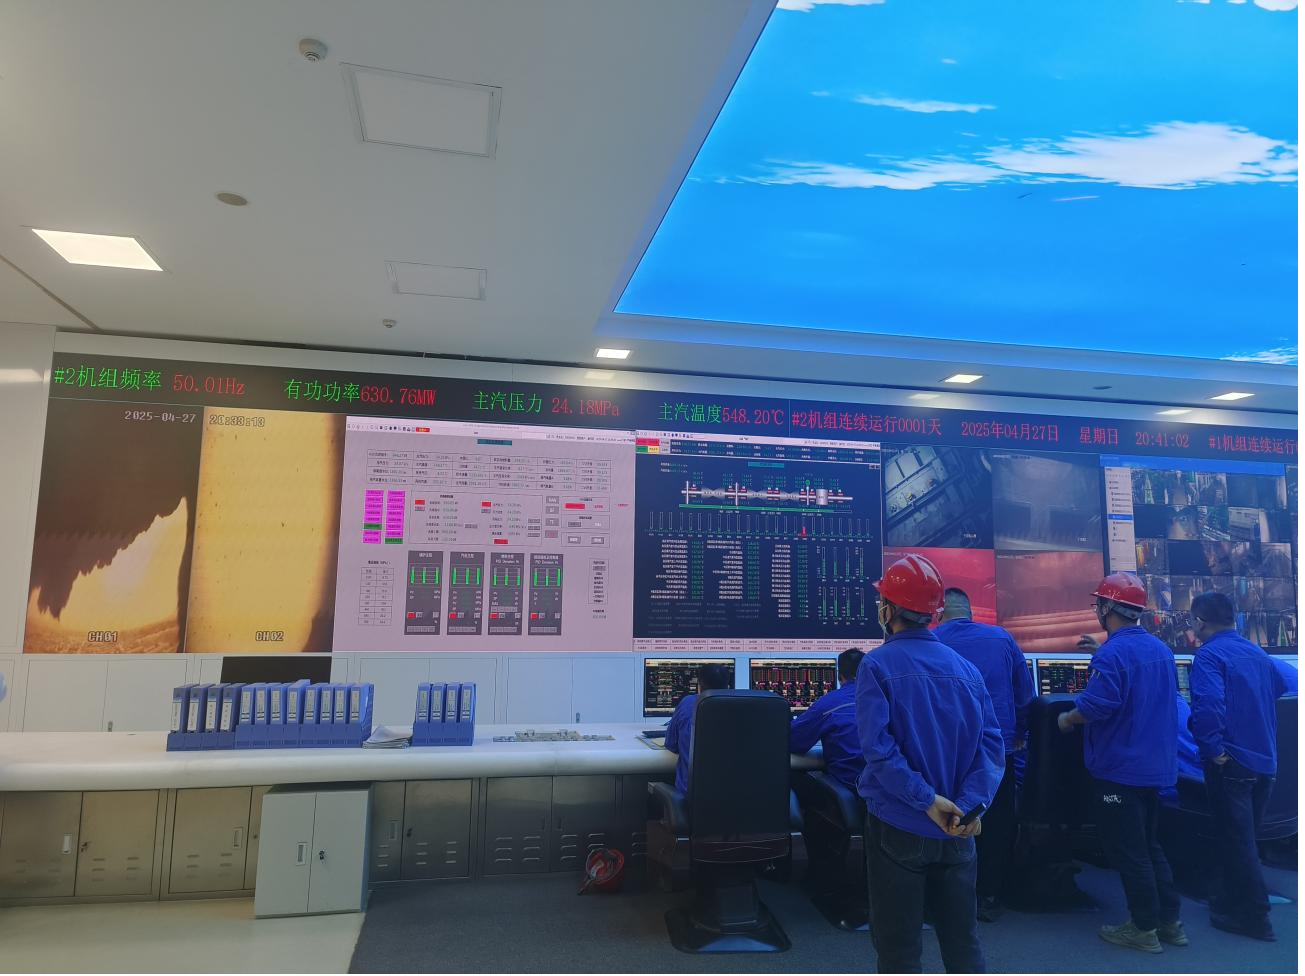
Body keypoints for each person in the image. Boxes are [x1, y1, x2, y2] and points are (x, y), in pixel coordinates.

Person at [856, 553, 1005, 974]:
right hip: (959, 828)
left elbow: (878, 750)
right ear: (932, 613)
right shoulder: (967, 670)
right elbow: (991, 747)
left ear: (888, 611)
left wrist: (925, 800)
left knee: (899, 949)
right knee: (963, 944)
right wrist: (970, 807)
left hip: (899, 825)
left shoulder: (876, 665)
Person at [1058, 573, 1184, 954]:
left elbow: (1097, 706)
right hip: (1154, 769)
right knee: (1150, 846)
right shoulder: (1160, 649)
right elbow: (1134, 686)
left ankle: (1143, 929)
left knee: (1130, 852)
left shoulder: (1113, 655)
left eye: (1099, 603)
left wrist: (1067, 719)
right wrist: (1100, 654)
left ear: (1108, 608)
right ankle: (1170, 923)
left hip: (1119, 772)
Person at [1189, 591, 1289, 942]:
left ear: (1199, 622)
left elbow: (1207, 707)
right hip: (1266, 761)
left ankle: (1254, 916)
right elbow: (1280, 688)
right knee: (1245, 839)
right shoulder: (1258, 653)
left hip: (1232, 762)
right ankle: (1229, 902)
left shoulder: (1209, 655)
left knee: (1237, 841)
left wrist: (1213, 749)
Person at [935, 587, 1036, 922]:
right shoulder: (1001, 638)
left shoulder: (932, 641)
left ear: (939, 614)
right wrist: (1020, 734)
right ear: (971, 613)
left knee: (948, 820)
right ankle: (988, 896)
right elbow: (1025, 696)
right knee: (996, 824)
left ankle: (947, 898)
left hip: (948, 754)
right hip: (997, 751)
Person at [789, 647, 865, 791]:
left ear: (839, 675)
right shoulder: (886, 699)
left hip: (852, 787)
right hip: (886, 787)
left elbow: (792, 741)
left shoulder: (829, 703)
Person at [664, 663, 733, 796]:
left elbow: (671, 744)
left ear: (699, 687)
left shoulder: (688, 704)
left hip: (692, 798)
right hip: (735, 798)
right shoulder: (741, 709)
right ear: (728, 687)